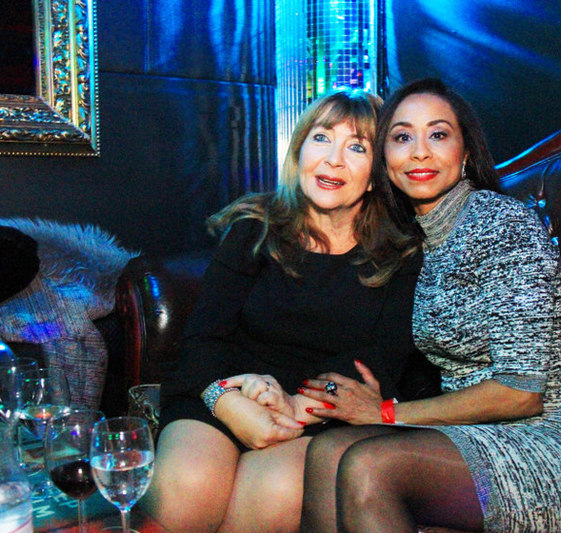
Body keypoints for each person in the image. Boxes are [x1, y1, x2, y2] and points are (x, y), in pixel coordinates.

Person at [296, 78, 561, 533]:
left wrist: (386, 413)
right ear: (384, 162)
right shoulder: (415, 242)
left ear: (466, 153)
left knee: (368, 465)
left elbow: (521, 393)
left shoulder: (502, 224)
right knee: (327, 451)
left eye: (438, 134)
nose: (419, 152)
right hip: (475, 439)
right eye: (402, 138)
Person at [141, 88, 430, 532]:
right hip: (226, 391)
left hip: (321, 414)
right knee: (188, 490)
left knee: (271, 491)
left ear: (376, 175)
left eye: (357, 147)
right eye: (322, 138)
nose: (333, 159)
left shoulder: (403, 253)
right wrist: (229, 403)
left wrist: (295, 406)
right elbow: (202, 338)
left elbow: (383, 358)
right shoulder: (254, 229)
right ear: (299, 151)